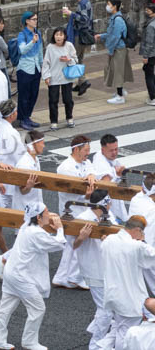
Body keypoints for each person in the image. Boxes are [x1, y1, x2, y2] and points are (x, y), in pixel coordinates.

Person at [0, 204, 67, 350]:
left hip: (11, 272)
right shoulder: (36, 233)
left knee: (5, 308)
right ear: (38, 217)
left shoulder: (26, 226)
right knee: (38, 308)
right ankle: (29, 342)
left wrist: (49, 216)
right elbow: (58, 244)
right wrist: (60, 228)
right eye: (47, 212)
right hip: (21, 277)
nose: (49, 214)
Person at [101, 216, 155, 347]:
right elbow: (152, 256)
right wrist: (143, 241)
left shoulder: (108, 240)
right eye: (142, 232)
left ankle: (99, 347)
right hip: (129, 298)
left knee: (117, 328)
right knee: (125, 333)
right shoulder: (136, 246)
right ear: (137, 230)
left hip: (112, 293)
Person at [52, 135, 97, 290]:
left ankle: (62, 276)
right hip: (70, 209)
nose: (88, 153)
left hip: (82, 208)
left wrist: (91, 175)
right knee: (79, 241)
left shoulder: (86, 162)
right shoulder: (66, 167)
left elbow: (91, 169)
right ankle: (74, 277)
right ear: (76, 149)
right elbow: (70, 193)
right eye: (86, 150)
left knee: (72, 243)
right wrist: (87, 195)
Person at [75, 190, 113, 349]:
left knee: (109, 307)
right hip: (92, 269)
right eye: (109, 202)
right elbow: (71, 245)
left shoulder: (108, 216)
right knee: (106, 310)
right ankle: (95, 345)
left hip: (107, 268)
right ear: (104, 204)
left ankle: (99, 336)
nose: (111, 205)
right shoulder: (82, 219)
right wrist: (81, 238)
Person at [96, 0, 132, 104]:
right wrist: (101, 36)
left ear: (114, 6)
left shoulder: (118, 19)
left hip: (118, 48)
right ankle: (120, 92)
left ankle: (120, 96)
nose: (107, 6)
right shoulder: (115, 18)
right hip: (118, 48)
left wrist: (111, 50)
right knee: (117, 70)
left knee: (118, 72)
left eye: (109, 4)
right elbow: (111, 34)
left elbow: (115, 37)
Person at [43, 26, 79, 130]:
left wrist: (68, 60)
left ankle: (69, 118)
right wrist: (46, 76)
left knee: (68, 99)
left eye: (61, 35)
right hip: (53, 77)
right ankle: (54, 121)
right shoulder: (50, 47)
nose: (58, 37)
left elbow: (75, 60)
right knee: (53, 100)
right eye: (56, 34)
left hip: (66, 77)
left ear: (64, 36)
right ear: (54, 36)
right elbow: (46, 63)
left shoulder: (69, 45)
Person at [63, 0, 94, 96]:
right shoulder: (84, 2)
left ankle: (83, 81)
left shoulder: (83, 3)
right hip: (82, 34)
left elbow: (84, 19)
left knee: (74, 58)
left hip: (80, 34)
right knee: (79, 58)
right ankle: (81, 82)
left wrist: (71, 14)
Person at [15, 11, 43, 129]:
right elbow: (22, 50)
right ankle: (22, 119)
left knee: (34, 94)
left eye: (36, 19)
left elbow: (40, 50)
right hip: (25, 68)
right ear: (27, 21)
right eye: (33, 19)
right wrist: (32, 42)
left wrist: (42, 65)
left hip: (36, 67)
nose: (36, 21)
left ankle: (28, 116)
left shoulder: (38, 33)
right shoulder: (22, 35)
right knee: (24, 95)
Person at [92, 134, 128, 224]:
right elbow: (106, 185)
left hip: (113, 206)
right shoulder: (101, 163)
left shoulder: (103, 156)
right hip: (109, 209)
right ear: (103, 150)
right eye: (111, 150)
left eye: (116, 149)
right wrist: (118, 175)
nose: (115, 153)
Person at [12, 131, 45, 211]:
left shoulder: (36, 159)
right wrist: (28, 187)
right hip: (24, 209)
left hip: (35, 207)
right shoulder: (24, 164)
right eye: (42, 143)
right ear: (33, 145)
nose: (44, 146)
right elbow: (22, 191)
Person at [142, 4, 155, 105]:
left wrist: (145, 56)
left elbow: (149, 42)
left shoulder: (150, 26)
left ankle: (152, 97)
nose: (146, 12)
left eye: (148, 11)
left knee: (149, 75)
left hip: (151, 54)